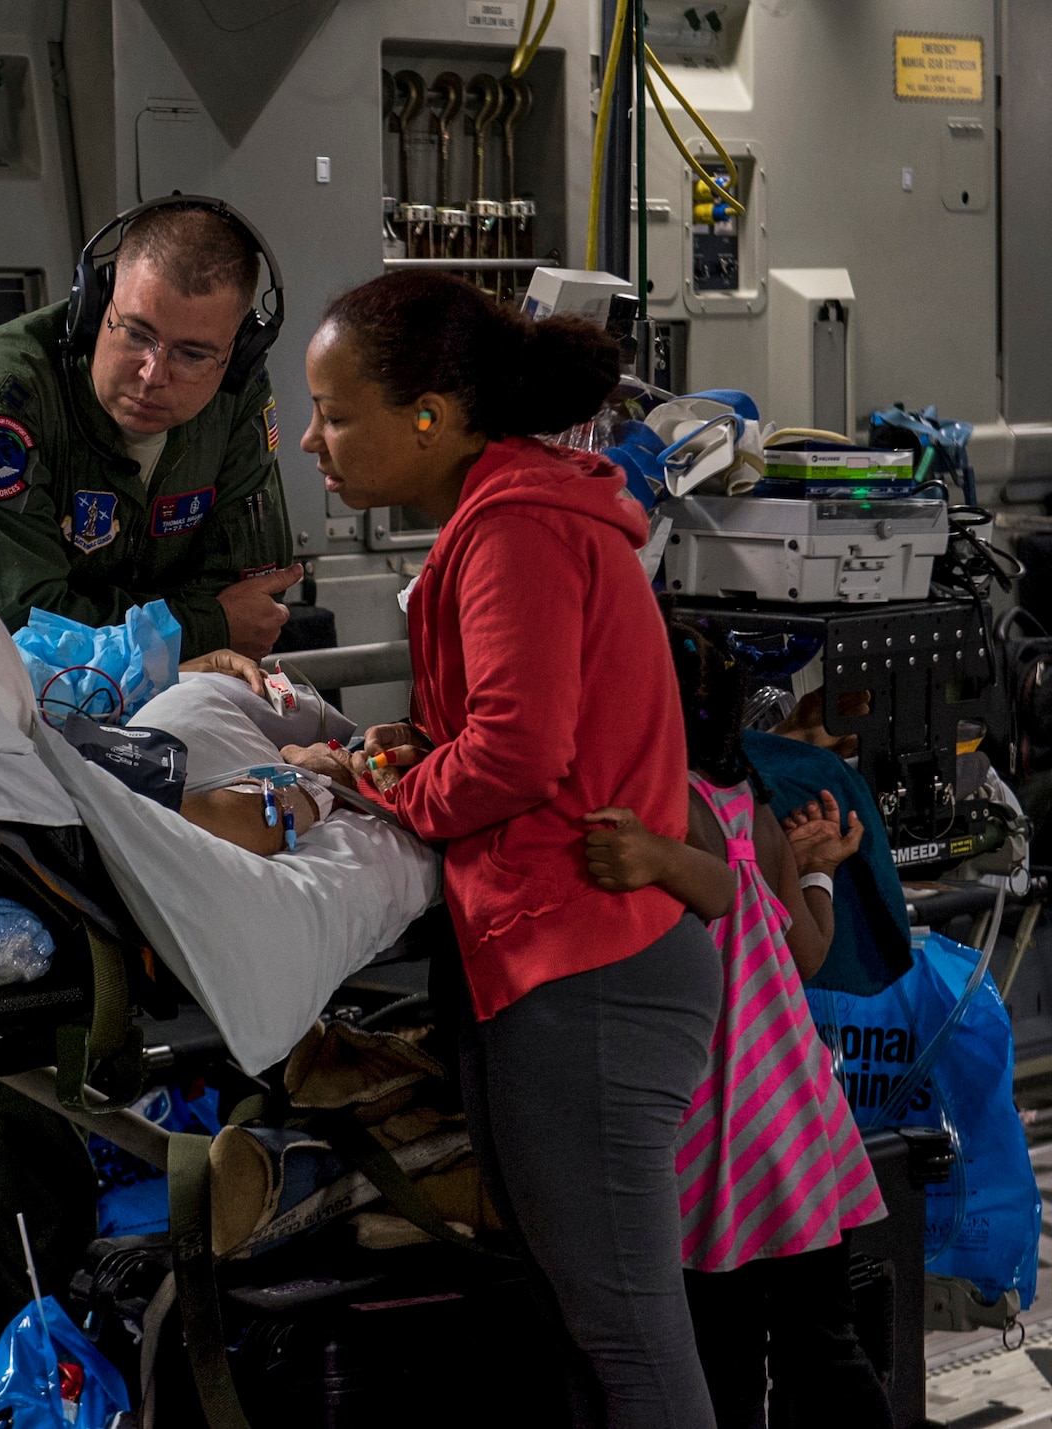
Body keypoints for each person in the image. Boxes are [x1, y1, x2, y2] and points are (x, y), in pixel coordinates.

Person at [285, 271, 725, 1428]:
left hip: (584, 973)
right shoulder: (521, 510)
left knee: (626, 1342)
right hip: (564, 963)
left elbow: (519, 757)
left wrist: (389, 784)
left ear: (427, 414)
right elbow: (517, 732)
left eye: (333, 412)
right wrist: (420, 744)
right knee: (574, 1324)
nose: (309, 439)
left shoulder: (513, 529)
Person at [581, 620, 891, 1429]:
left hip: (713, 1135)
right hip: (798, 1123)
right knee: (822, 1348)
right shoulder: (748, 807)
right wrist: (821, 865)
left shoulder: (661, 816)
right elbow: (809, 954)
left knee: (717, 1366)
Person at [0, 199, 301, 660]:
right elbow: (20, 629)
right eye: (136, 334)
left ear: (237, 356)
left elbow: (250, 593)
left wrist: (186, 636)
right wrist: (202, 630)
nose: (153, 375)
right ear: (94, 308)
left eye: (192, 356)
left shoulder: (238, 392)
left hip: (140, 701)